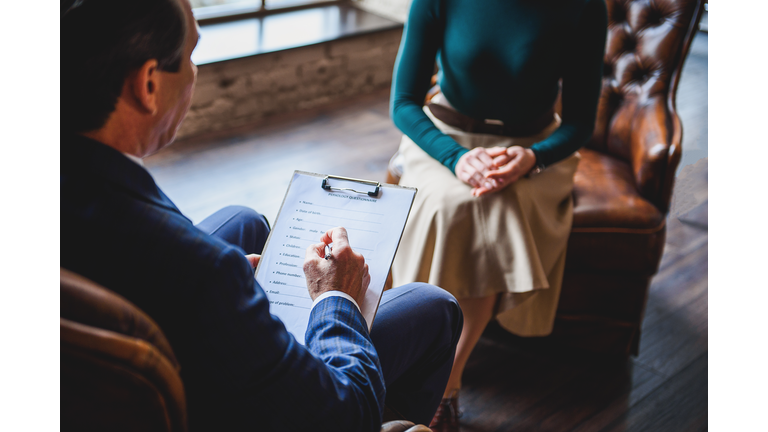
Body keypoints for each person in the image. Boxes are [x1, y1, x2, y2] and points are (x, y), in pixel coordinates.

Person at [59, 0, 463, 431]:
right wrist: (336, 299)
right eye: (191, 57)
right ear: (148, 85)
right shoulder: (209, 274)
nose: (196, 73)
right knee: (434, 308)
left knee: (244, 221)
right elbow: (346, 415)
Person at [389, 0, 607, 430]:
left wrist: (533, 158)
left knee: (488, 204)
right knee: (457, 206)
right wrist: (455, 158)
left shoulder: (584, 7)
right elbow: (403, 103)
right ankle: (428, 362)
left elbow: (580, 121)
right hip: (445, 138)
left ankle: (445, 381)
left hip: (531, 149)